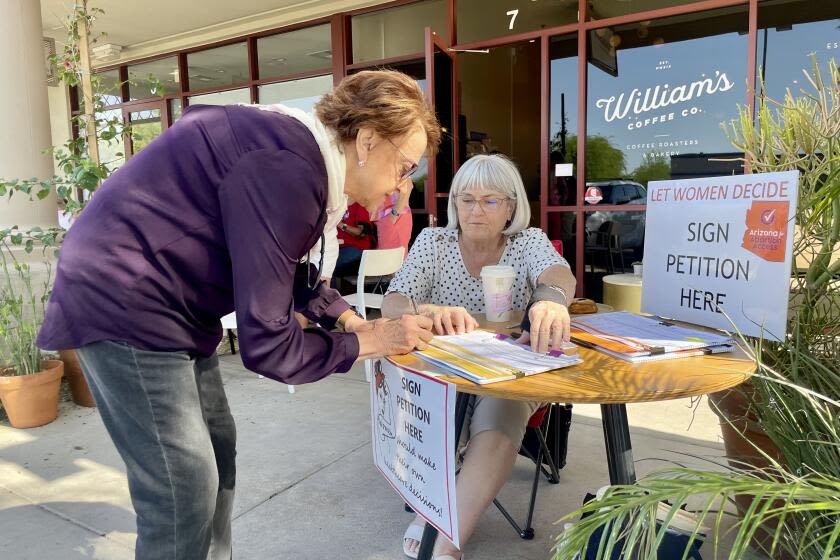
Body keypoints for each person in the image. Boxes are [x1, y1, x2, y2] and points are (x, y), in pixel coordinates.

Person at [36, 70, 440, 560]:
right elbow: (268, 344)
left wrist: (354, 323)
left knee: (218, 450)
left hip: (174, 309)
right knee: (181, 488)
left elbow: (292, 271)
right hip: (126, 300)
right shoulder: (289, 169)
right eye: (405, 168)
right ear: (368, 140)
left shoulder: (304, 158)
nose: (403, 189)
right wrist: (369, 344)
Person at [381, 154, 576, 560]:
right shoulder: (433, 243)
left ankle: (445, 534)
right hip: (445, 370)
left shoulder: (527, 242)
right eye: (466, 199)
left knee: (499, 413)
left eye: (489, 200)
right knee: (444, 402)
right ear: (454, 204)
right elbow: (393, 302)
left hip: (511, 372)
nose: (475, 210)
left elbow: (558, 274)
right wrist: (426, 311)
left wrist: (551, 301)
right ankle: (437, 506)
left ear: (511, 206)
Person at [334, 201, 377, 280]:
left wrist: (340, 224)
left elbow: (361, 233)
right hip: (336, 248)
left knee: (327, 265)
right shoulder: (333, 204)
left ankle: (328, 292)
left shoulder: (359, 204)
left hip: (357, 248)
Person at [372, 177, 413, 256]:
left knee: (391, 259)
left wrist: (393, 215)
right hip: (386, 218)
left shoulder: (395, 169)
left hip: (393, 217)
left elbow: (407, 188)